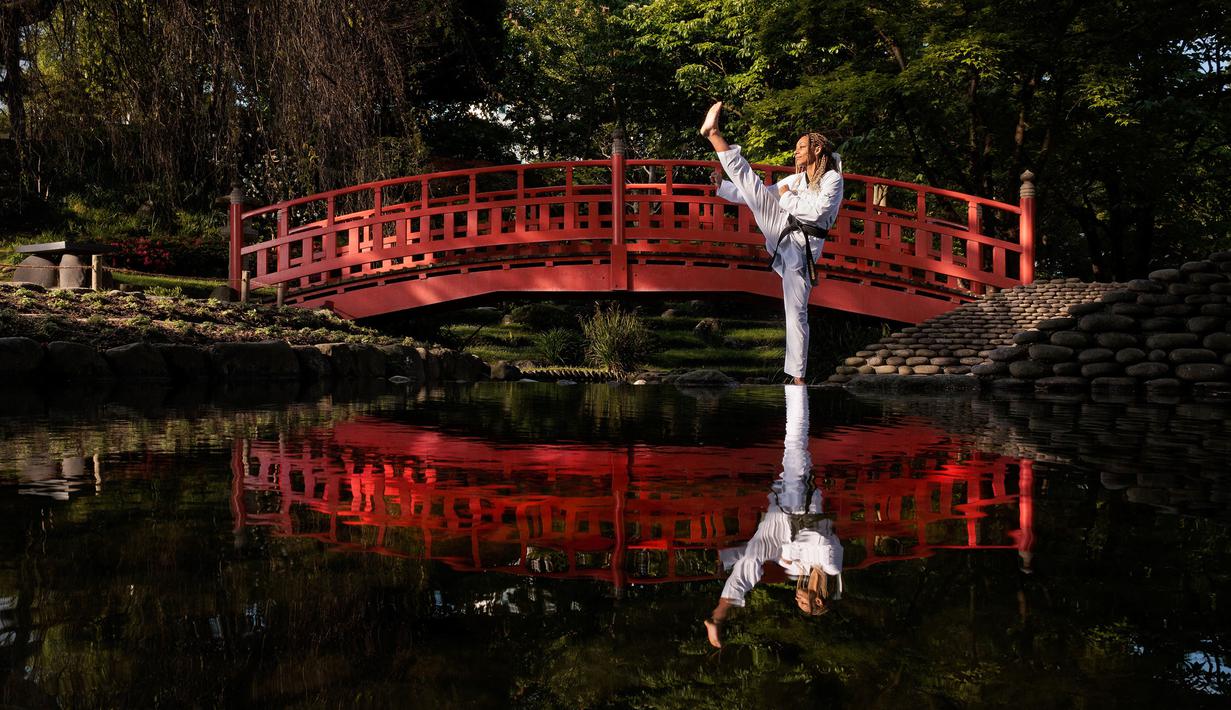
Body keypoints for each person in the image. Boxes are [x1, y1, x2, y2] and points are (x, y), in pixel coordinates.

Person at [701, 101, 844, 384]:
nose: (796, 152)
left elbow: (817, 213)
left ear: (817, 149)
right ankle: (714, 134)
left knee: (797, 312)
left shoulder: (833, 180)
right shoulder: (797, 179)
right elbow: (760, 194)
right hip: (782, 230)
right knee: (754, 189)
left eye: (801, 147)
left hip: (803, 250)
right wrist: (722, 188)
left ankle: (798, 377)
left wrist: (787, 196)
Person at [704, 385, 843, 648]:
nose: (797, 600)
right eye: (804, 603)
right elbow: (824, 537)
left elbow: (772, 554)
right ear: (818, 600)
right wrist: (792, 552)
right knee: (795, 443)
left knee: (751, 560)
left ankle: (718, 615)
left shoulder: (797, 570)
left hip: (779, 517)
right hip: (800, 503)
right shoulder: (832, 567)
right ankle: (797, 389)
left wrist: (732, 556)